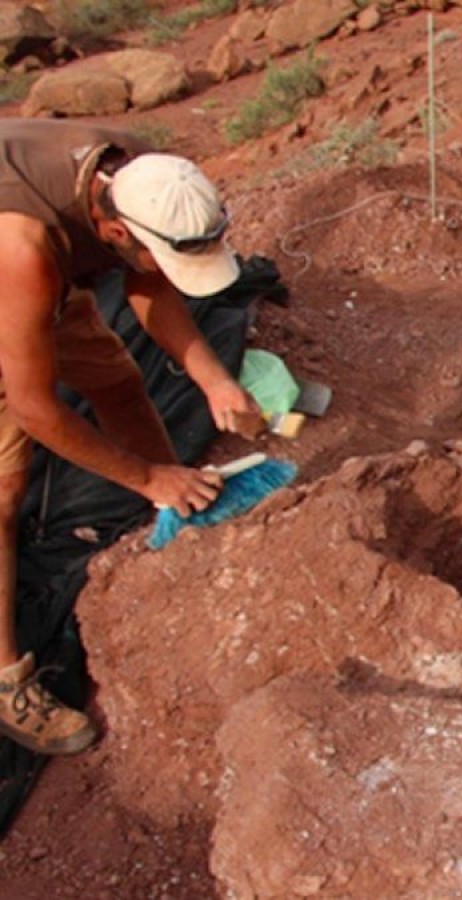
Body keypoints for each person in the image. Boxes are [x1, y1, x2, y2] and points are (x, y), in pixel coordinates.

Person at [0, 120, 261, 754]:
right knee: (2, 496)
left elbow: (151, 290)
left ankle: (179, 510)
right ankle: (7, 680)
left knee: (119, 381)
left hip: (47, 290)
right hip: (12, 281)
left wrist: (215, 381)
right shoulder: (25, 249)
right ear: (115, 233)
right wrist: (145, 476)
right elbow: (35, 408)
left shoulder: (144, 176)